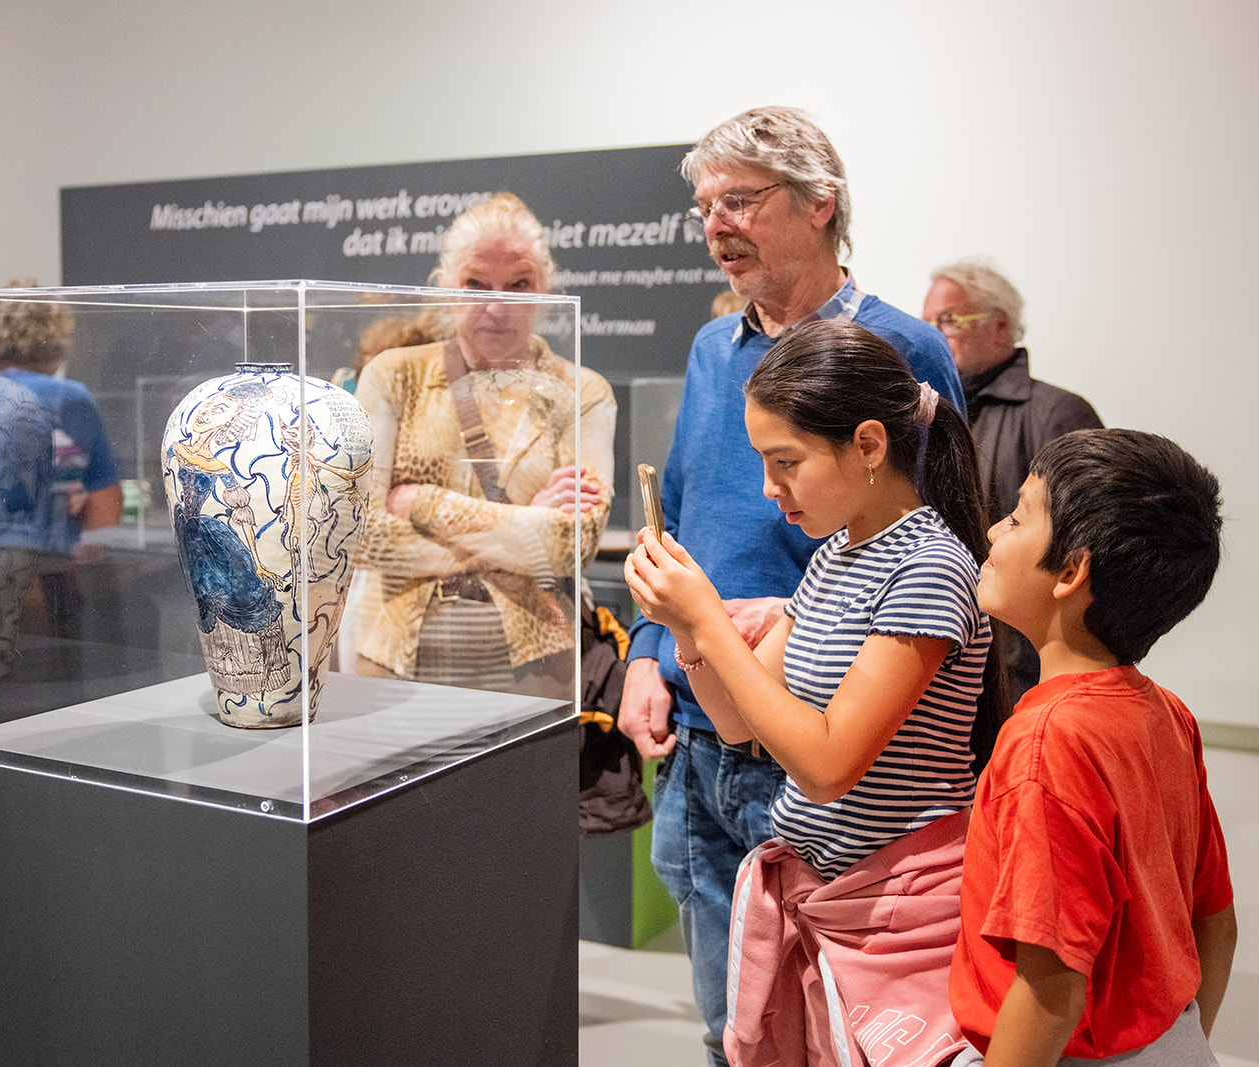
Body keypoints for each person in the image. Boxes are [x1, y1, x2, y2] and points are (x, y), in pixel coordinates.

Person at [617, 105, 965, 1065]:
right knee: (732, 1022)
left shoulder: (901, 349)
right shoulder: (711, 349)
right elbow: (678, 510)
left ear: (821, 204)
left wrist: (803, 609)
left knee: (840, 1024)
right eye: (704, 207)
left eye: (740, 200)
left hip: (830, 742)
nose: (716, 225)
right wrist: (649, 653)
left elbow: (945, 532)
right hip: (706, 730)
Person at [626, 319, 1003, 1066]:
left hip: (899, 908)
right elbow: (739, 723)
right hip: (831, 892)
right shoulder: (837, 554)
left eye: (786, 462)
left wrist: (710, 621)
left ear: (868, 445)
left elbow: (828, 765)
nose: (771, 489)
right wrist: (690, 633)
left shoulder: (929, 566)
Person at [949, 428, 1236, 1065]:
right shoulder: (1167, 714)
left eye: (1017, 517)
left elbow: (1050, 991)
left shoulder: (1046, 744)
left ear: (1071, 571)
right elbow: (1216, 920)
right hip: (1175, 1042)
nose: (993, 531)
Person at [353, 193, 616, 696]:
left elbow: (573, 544)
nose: (498, 307)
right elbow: (360, 533)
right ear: (445, 285)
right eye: (476, 284)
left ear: (544, 290)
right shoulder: (394, 376)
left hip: (536, 670)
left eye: (519, 285)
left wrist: (422, 503)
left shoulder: (582, 391)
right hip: (395, 663)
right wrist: (527, 523)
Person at [922, 259, 1103, 704]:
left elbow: (1086, 551)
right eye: (927, 324)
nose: (934, 336)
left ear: (1000, 327)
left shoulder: (1057, 414)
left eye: (948, 320)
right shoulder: (931, 416)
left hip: (1019, 672)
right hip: (939, 651)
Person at [0, 285, 121, 679]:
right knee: (43, 692)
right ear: (58, 337)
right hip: (37, 576)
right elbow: (106, 510)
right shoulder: (70, 398)